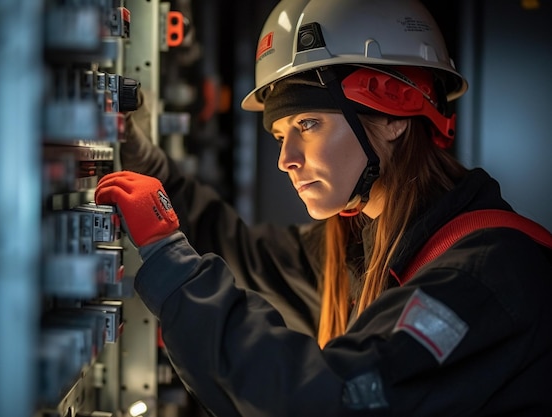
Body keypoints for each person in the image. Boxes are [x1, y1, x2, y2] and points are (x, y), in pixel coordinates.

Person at [96, 0, 552, 415]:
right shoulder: (371, 247)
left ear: (393, 113)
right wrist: (155, 170)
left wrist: (170, 263)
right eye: (280, 135)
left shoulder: (485, 279)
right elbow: (246, 257)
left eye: (308, 123)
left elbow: (324, 402)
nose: (285, 159)